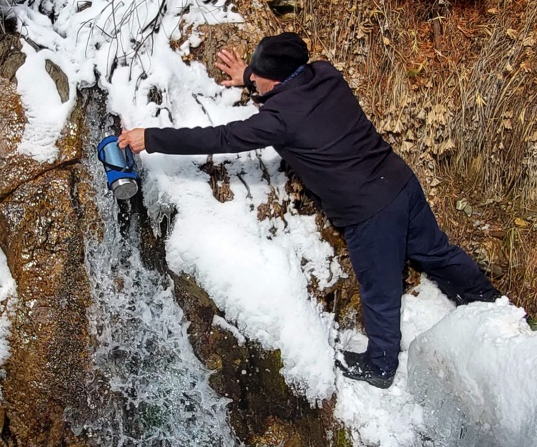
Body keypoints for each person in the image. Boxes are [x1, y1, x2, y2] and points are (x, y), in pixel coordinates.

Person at [117, 32, 499, 388]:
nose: (255, 82)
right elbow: (283, 86)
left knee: (379, 290)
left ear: (276, 83)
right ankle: (487, 301)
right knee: (436, 252)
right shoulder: (325, 74)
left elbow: (221, 137)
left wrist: (150, 137)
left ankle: (381, 366)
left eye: (260, 77)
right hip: (398, 181)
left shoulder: (280, 119)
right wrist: (249, 77)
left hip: (369, 211)